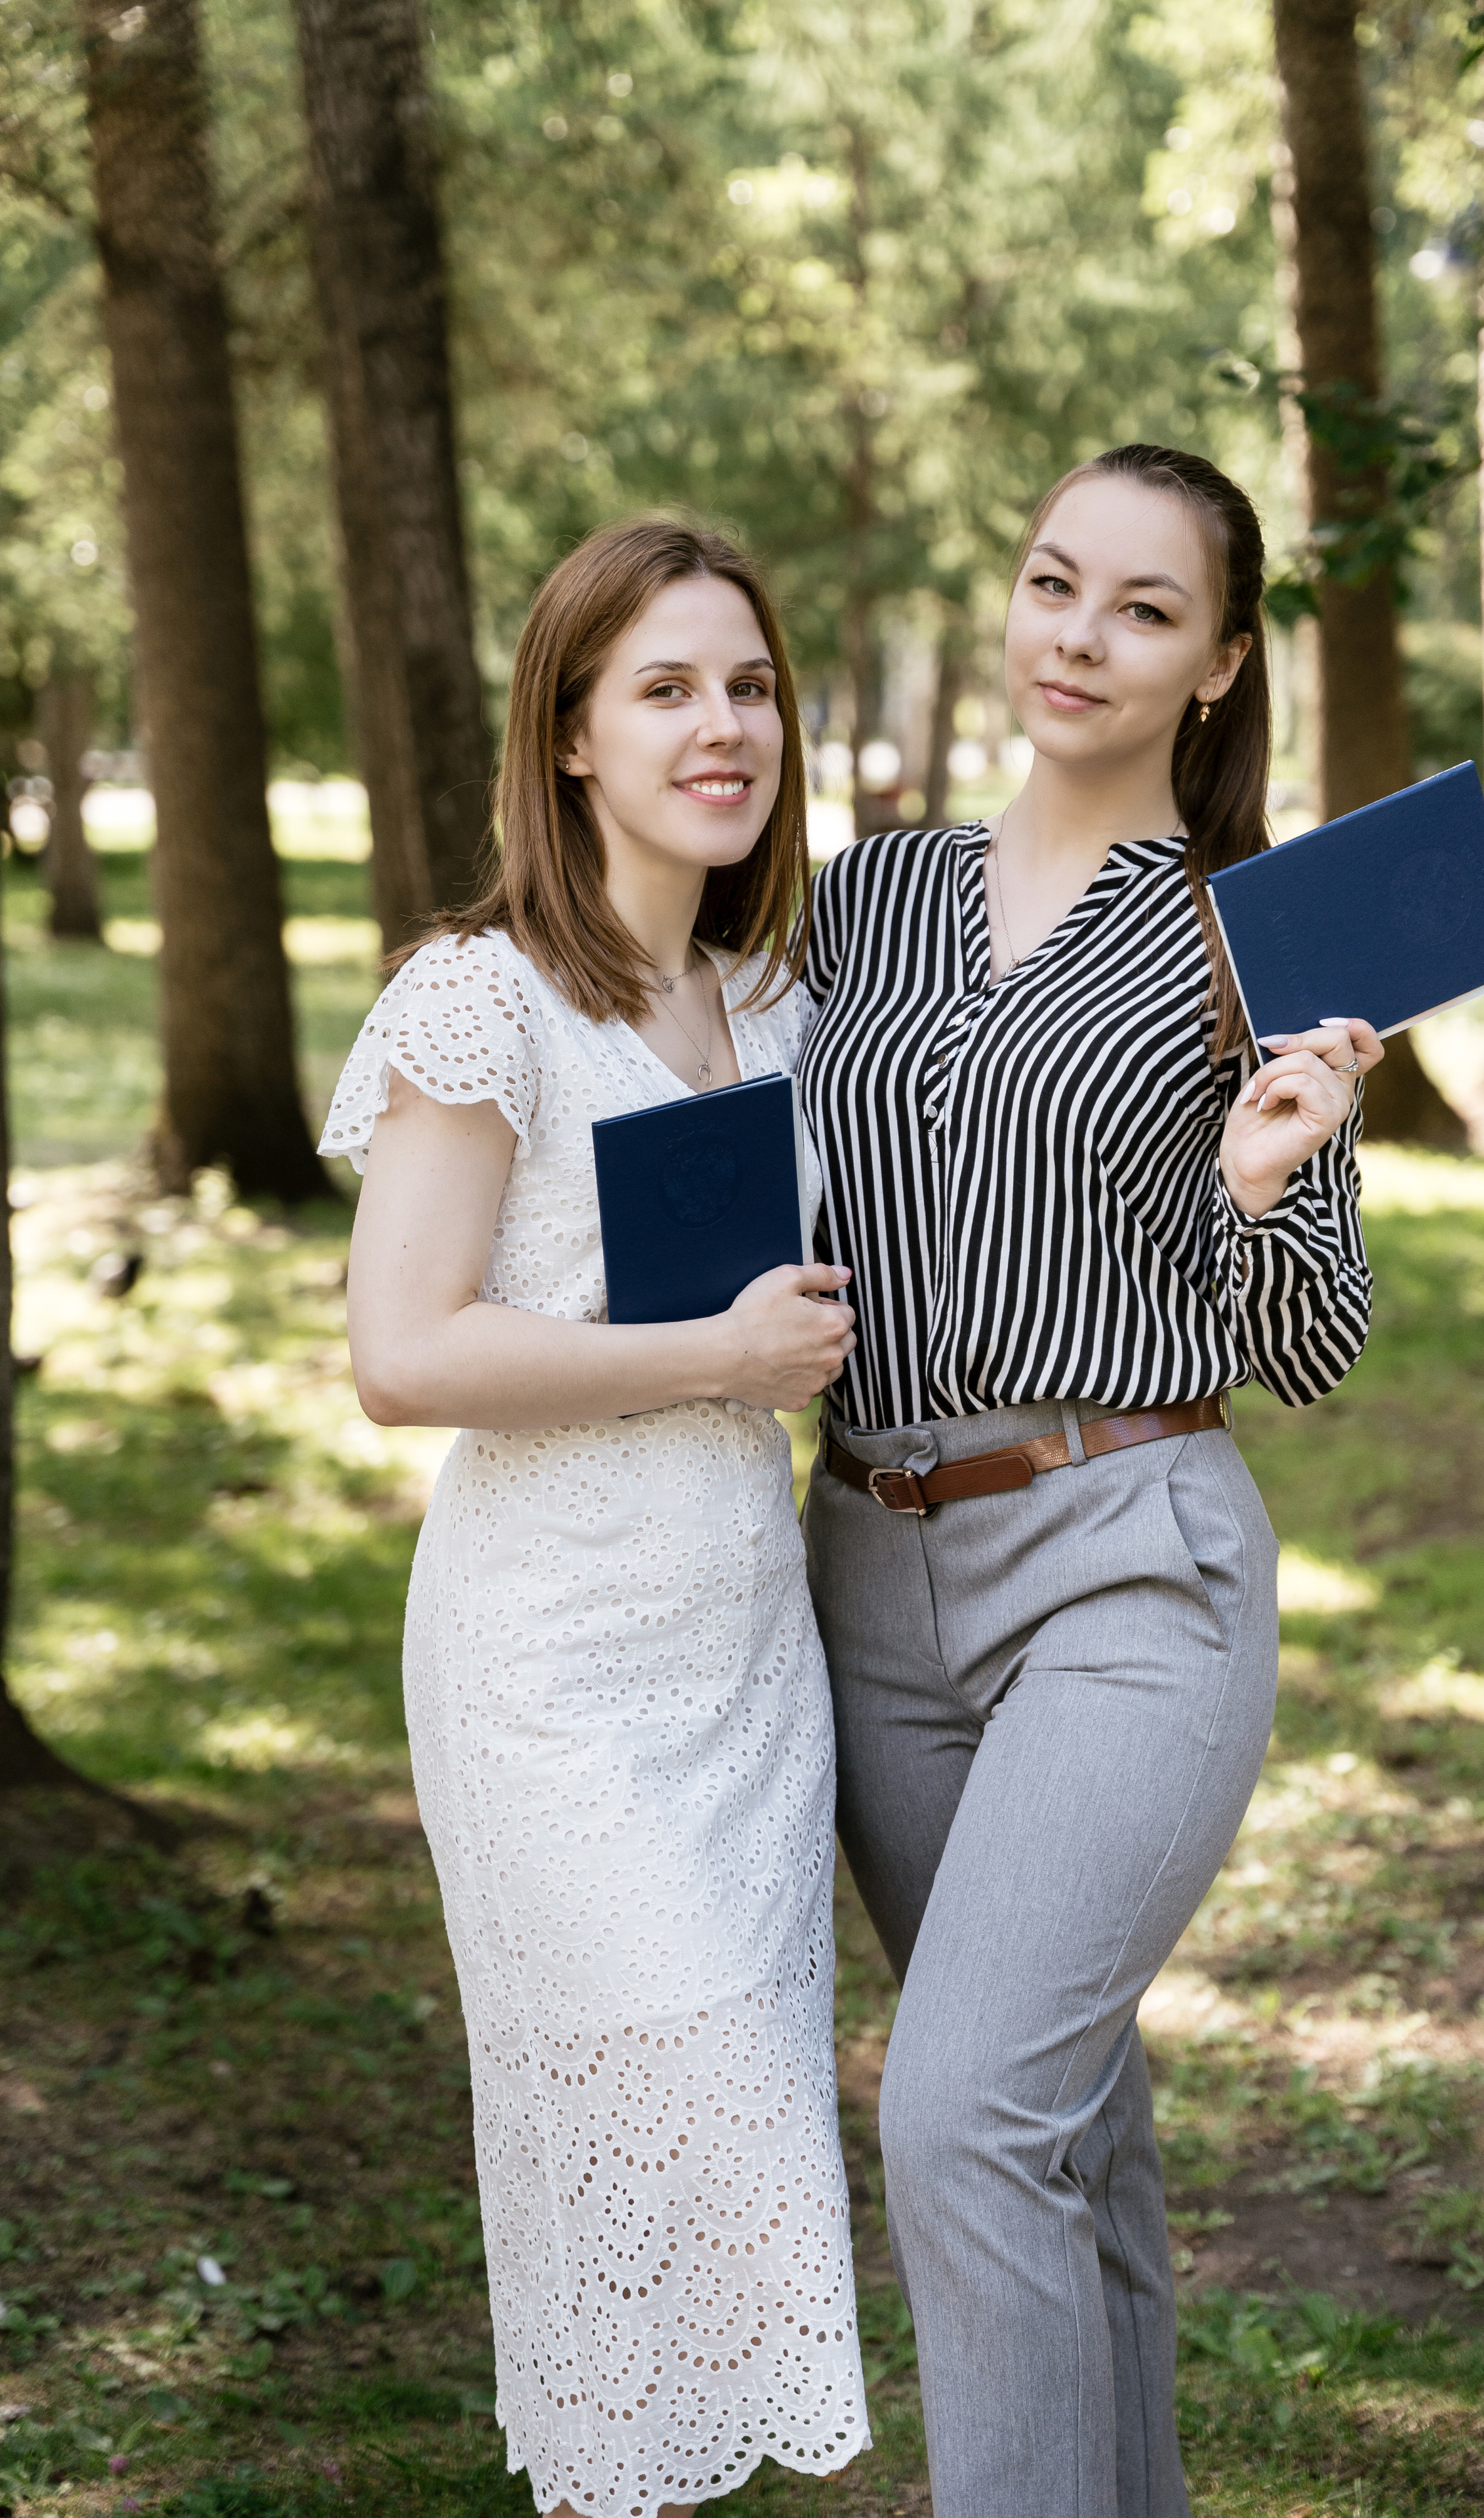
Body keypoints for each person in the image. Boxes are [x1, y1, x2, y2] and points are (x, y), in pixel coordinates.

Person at [799, 443, 1380, 2518]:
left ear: (1219, 662)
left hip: (1128, 1567)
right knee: (1063, 2131)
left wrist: (1269, 1178)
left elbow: (1313, 1345)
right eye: (1057, 583)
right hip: (866, 1576)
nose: (1082, 637)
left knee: (965, 2118)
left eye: (1146, 609)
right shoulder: (858, 897)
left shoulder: (1256, 938)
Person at [321, 518, 870, 2518]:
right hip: (553, 1677)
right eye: (665, 690)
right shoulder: (485, 1000)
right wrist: (715, 1356)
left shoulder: (777, 1003)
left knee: (720, 2205)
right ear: (568, 736)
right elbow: (402, 1353)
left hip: (746, 1672)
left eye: (751, 687)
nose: (723, 728)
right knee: (664, 2168)